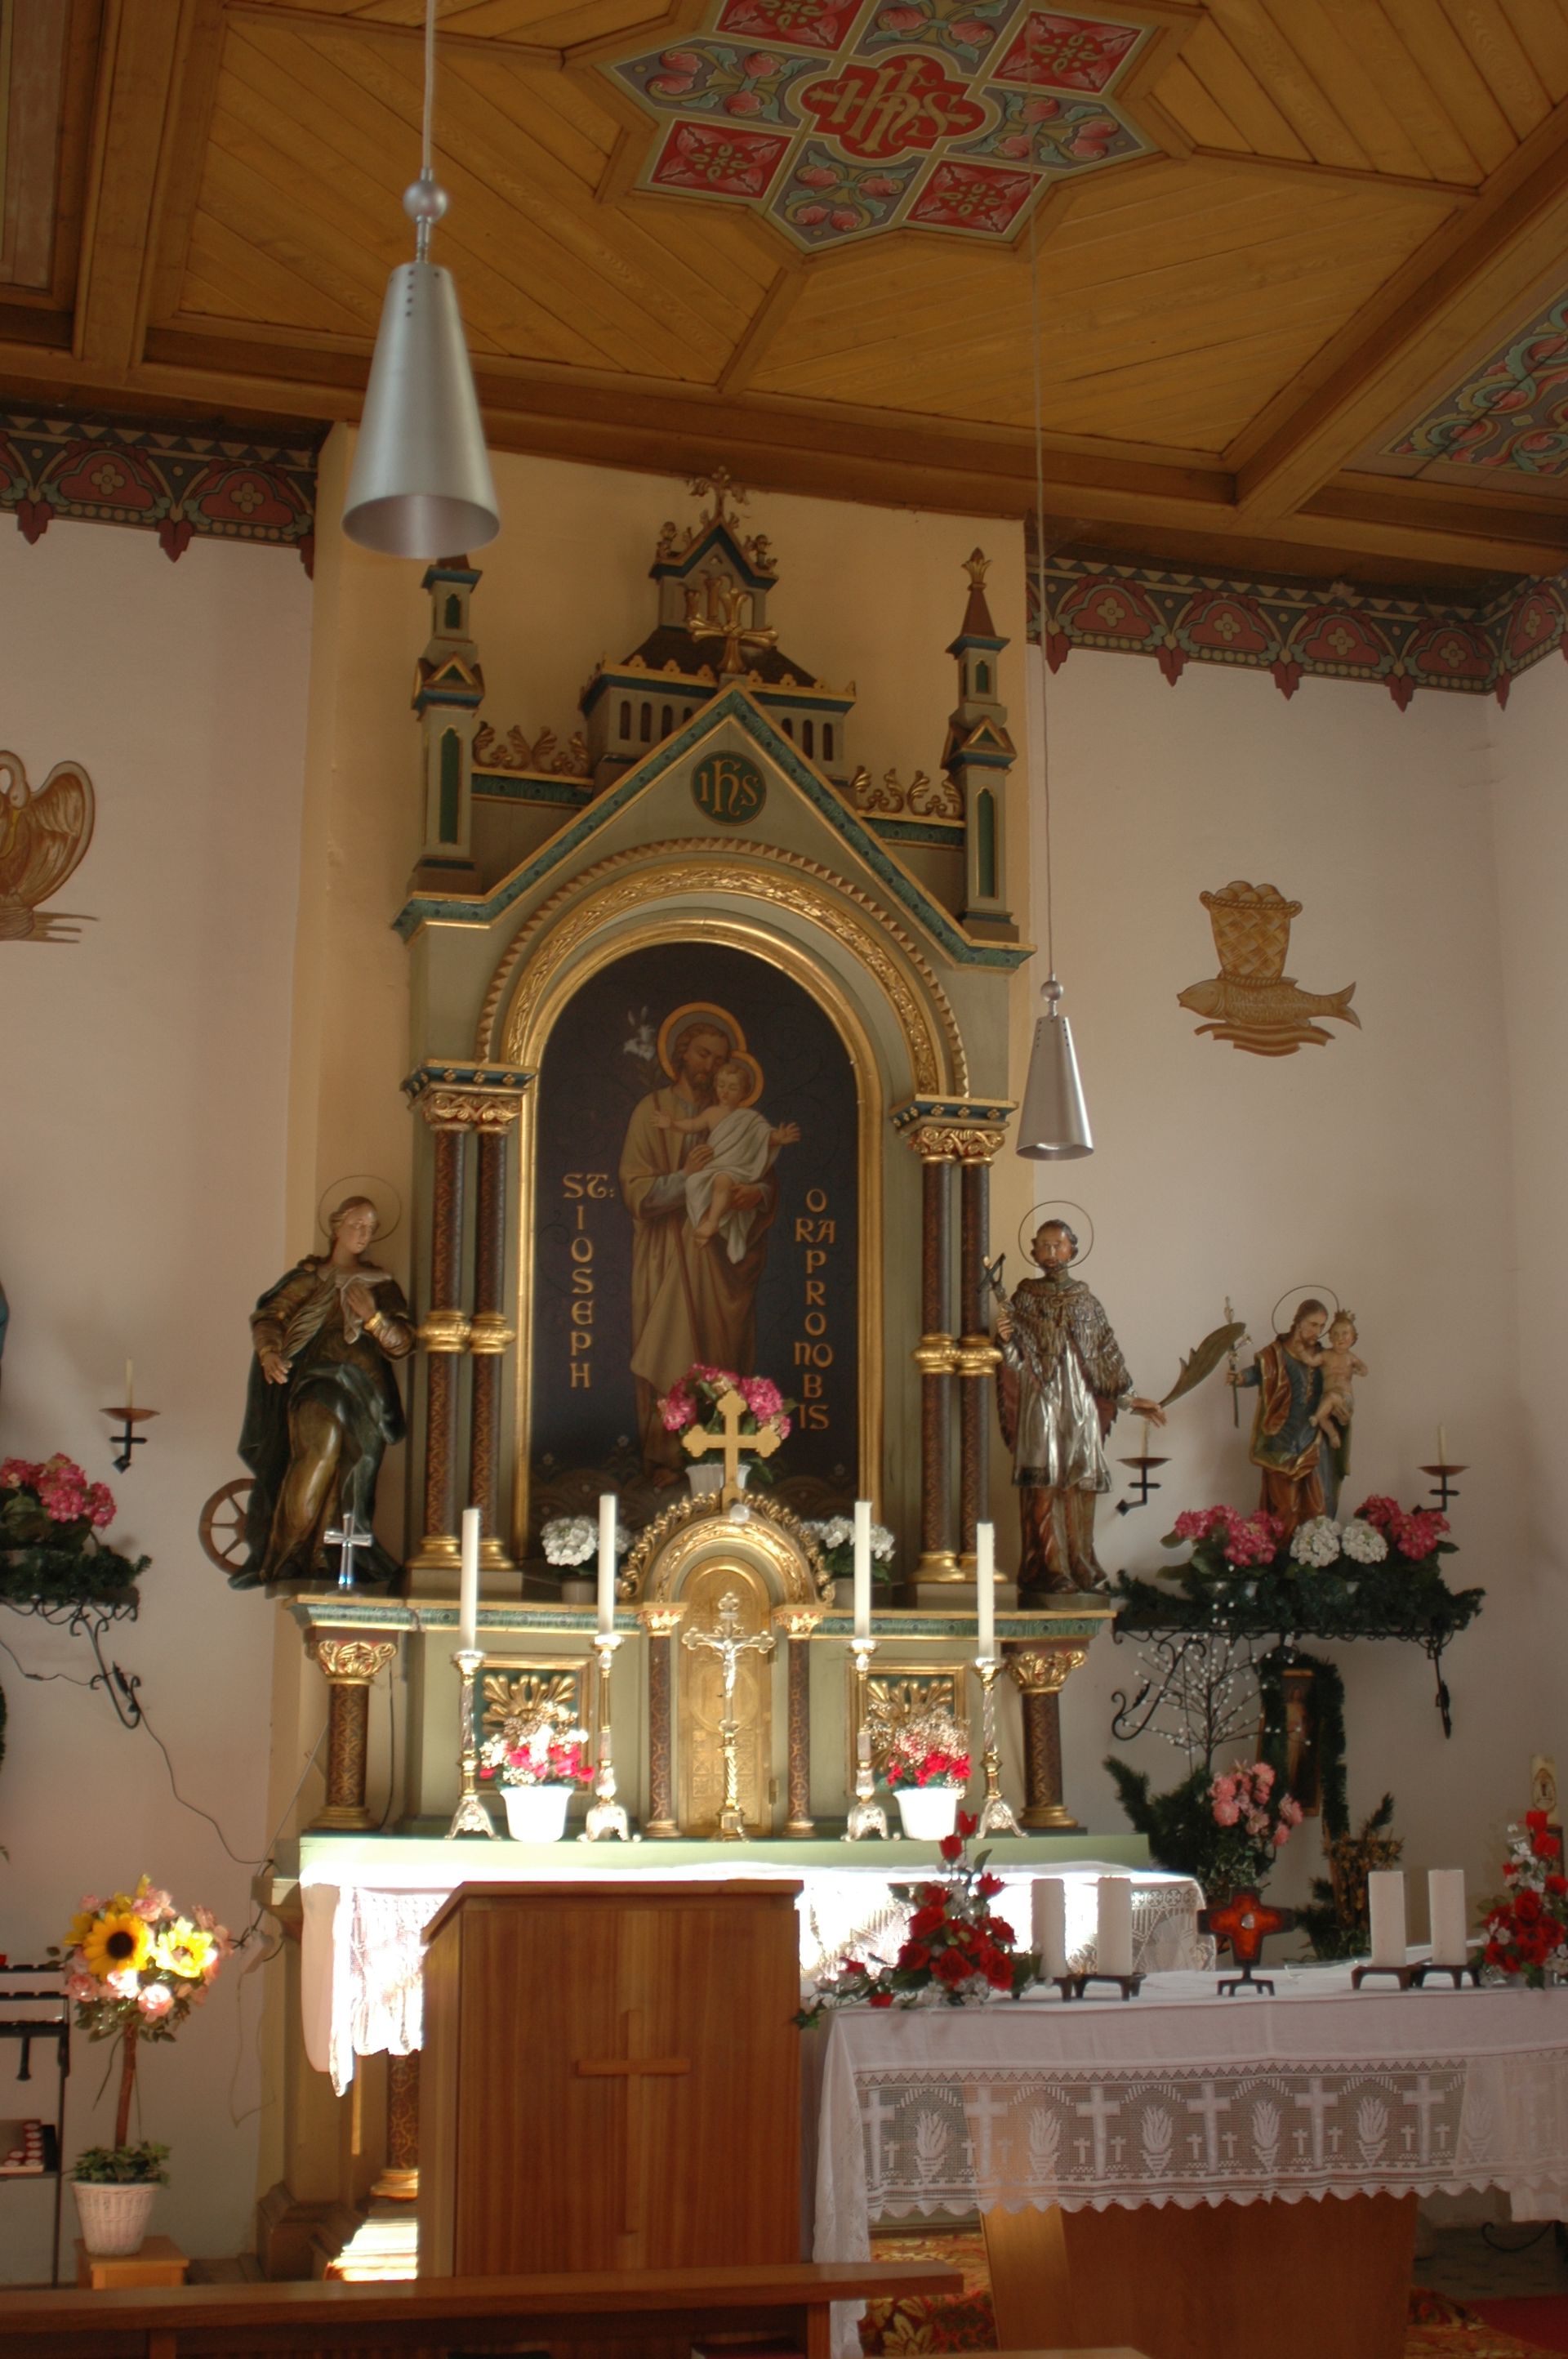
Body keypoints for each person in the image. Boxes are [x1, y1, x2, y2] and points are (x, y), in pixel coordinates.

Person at [619, 1018, 780, 1482]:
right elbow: (637, 1192)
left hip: (721, 1261)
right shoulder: (652, 1112)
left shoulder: (738, 1118)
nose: (710, 1066)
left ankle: (723, 1462)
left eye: (719, 1059)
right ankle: (667, 1459)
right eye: (702, 1054)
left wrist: (756, 1195)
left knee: (720, 1354)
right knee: (670, 1351)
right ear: (682, 1054)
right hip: (668, 1255)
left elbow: (763, 1176)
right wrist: (686, 1178)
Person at [235, 1196, 413, 1588]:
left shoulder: (382, 1286)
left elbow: (402, 1343)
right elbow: (269, 1318)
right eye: (357, 1225)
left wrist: (374, 1318)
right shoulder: (309, 1279)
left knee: (355, 1470)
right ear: (336, 1226)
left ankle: (329, 1555)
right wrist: (269, 1352)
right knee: (318, 1455)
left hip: (368, 1392)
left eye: (371, 1228)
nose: (364, 1234)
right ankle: (287, 1556)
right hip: (318, 1382)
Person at [996, 1219, 1166, 1593]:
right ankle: (1050, 1567)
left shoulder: (1087, 1302)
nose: (1051, 1252)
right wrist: (1006, 1342)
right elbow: (1015, 1362)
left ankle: (1081, 1563)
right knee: (1043, 1481)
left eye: (1057, 1245)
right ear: (1033, 1250)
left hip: (1080, 1402)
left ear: (1072, 1249)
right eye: (1043, 1245)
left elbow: (1106, 1352)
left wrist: (1129, 1399)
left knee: (1079, 1483)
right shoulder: (1024, 1298)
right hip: (1040, 1398)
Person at [653, 1057, 801, 1256]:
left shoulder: (750, 1119)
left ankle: (713, 1222)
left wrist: (779, 1138)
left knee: (722, 1181)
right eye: (721, 1085)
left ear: (743, 1093)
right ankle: (704, 1228)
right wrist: (671, 1124)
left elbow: (764, 1138)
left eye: (732, 1088)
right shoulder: (712, 1113)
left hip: (738, 1170)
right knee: (695, 1183)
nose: (724, 1091)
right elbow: (692, 1125)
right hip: (715, 1166)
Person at [1228, 1297, 1329, 1538]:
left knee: (1316, 1508)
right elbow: (1261, 1372)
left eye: (1322, 1326)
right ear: (1298, 1322)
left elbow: (1338, 1381)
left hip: (1310, 1438)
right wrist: (1240, 1378)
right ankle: (1279, 1553)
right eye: (1313, 1324)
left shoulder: (1324, 1356)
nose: (1318, 1331)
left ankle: (1312, 1552)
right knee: (1287, 1507)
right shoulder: (1276, 1353)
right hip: (1281, 1437)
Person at [1307, 1309, 1365, 1518]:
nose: (1340, 1338)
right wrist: (1300, 1353)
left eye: (1345, 1334)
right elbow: (1310, 1361)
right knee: (1324, 1410)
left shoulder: (1349, 1358)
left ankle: (1324, 1424)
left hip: (1342, 1401)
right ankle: (1329, 1431)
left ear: (1353, 1338)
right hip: (1325, 1404)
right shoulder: (1325, 1355)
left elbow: (1363, 1368)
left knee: (1330, 1401)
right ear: (1330, 1336)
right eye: (1336, 1334)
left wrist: (1359, 1370)